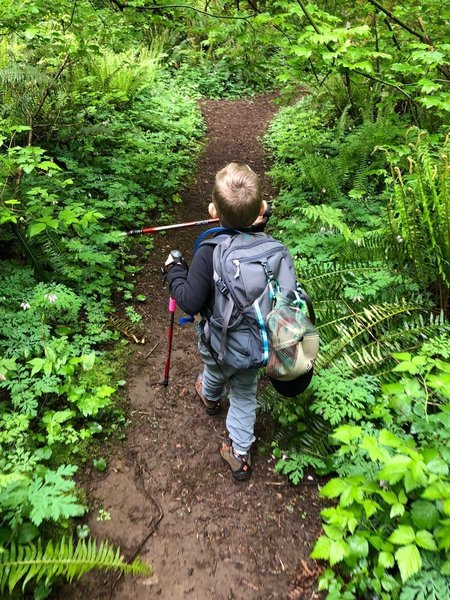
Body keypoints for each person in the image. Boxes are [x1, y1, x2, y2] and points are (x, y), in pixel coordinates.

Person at [164, 162, 268, 482]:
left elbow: (191, 301)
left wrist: (175, 271)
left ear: (213, 212)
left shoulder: (210, 249)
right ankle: (239, 453)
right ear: (261, 209)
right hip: (255, 344)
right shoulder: (266, 244)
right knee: (244, 393)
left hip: (219, 342)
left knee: (215, 369)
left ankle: (210, 397)